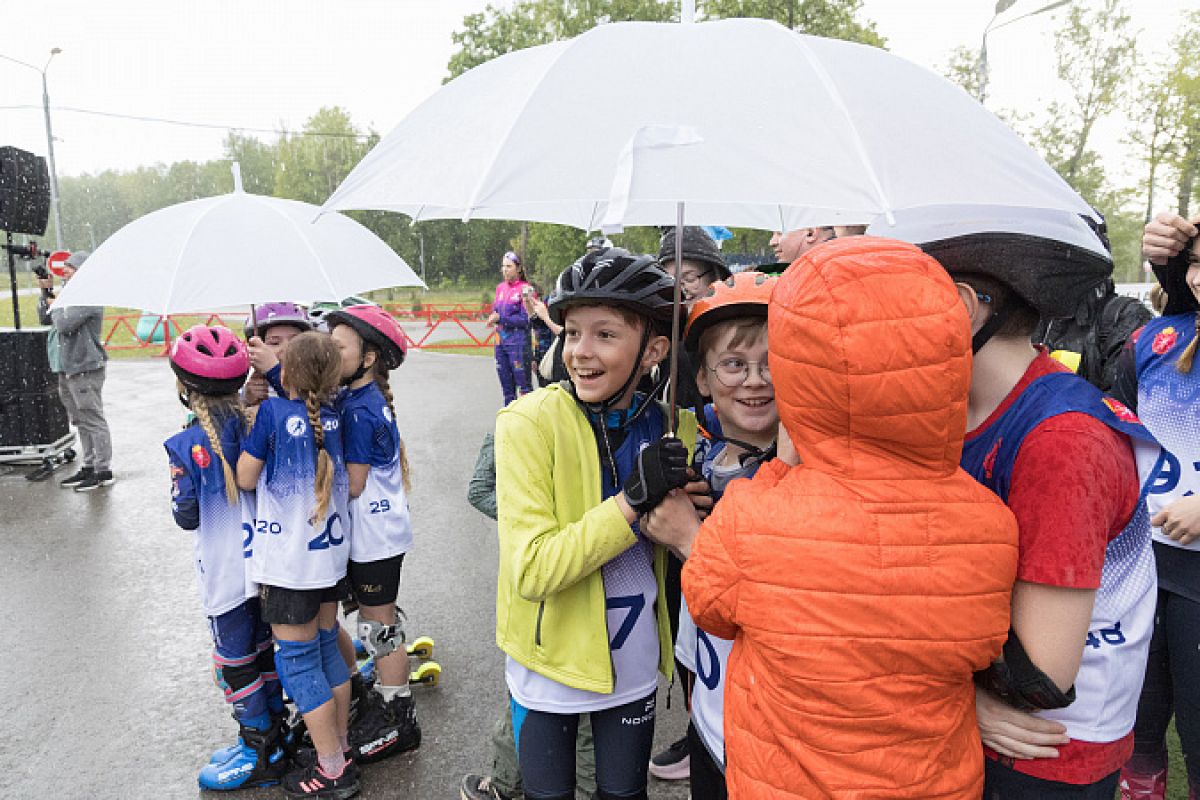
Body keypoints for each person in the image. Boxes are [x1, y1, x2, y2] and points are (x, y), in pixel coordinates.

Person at [671, 237, 1019, 799]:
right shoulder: (989, 522)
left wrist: (781, 473)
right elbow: (977, 647)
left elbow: (709, 605)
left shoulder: (754, 515)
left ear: (804, 369)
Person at [874, 207, 1159, 799]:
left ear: (960, 305)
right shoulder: (956, 408)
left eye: (895, 304)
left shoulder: (1063, 440)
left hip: (1042, 750)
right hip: (977, 718)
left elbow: (1041, 673)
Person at [494, 247, 699, 800]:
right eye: (573, 332)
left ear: (655, 349)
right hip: (549, 670)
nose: (579, 352)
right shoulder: (526, 423)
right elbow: (533, 569)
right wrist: (632, 501)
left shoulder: (672, 427)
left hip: (631, 668)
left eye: (605, 335)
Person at [641, 271, 779, 800]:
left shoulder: (810, 469)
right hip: (706, 693)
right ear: (701, 379)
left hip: (762, 717)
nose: (754, 380)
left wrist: (687, 534)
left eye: (772, 364)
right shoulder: (693, 444)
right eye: (734, 365)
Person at [163, 325, 289, 790]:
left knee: (236, 662)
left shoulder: (184, 445)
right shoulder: (259, 421)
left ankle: (260, 747)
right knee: (266, 651)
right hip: (269, 564)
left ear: (183, 387)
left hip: (225, 575)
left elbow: (187, 516)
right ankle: (278, 730)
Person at [236, 331, 357, 799]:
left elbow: (246, 479)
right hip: (328, 563)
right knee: (328, 653)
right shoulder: (337, 414)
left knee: (301, 665)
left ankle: (332, 771)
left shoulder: (272, 413)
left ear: (284, 371)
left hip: (289, 567)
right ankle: (341, 750)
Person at [1109, 212, 1200, 800]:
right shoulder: (1156, 339)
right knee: (1138, 732)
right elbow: (1115, 425)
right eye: (1197, 264)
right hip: (1143, 564)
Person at [461, 429, 598, 800]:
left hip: (577, 582)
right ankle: (507, 782)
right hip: (554, 582)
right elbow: (479, 491)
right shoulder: (522, 421)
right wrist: (534, 522)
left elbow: (478, 490)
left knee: (545, 693)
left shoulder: (611, 422)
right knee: (544, 693)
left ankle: (507, 784)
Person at [647, 225, 733, 782]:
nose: (680, 288)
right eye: (669, 279)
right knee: (686, 623)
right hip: (685, 510)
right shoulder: (660, 341)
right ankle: (693, 725)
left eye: (692, 277)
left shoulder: (724, 334)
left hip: (730, 511)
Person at [325, 305, 422, 765]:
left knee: (380, 624)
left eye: (339, 347)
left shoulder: (362, 411)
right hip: (373, 534)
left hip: (376, 537)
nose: (330, 352)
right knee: (372, 620)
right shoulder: (353, 400)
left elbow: (355, 483)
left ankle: (398, 713)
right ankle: (387, 694)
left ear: (367, 359)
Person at [36, 250, 114, 491]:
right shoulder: (70, 295)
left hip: (85, 367)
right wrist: (46, 293)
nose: (65, 270)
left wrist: (55, 303)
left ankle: (103, 470)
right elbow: (45, 318)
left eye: (71, 267)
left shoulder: (89, 295)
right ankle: (89, 465)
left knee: (92, 418)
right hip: (67, 367)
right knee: (80, 420)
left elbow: (63, 324)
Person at [242, 302, 312, 405]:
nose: (286, 349)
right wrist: (246, 400)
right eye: (274, 342)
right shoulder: (250, 378)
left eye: (295, 341)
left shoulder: (318, 378)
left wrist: (273, 371)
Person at [488, 251, 533, 405]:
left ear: (518, 268)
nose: (505, 269)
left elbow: (526, 319)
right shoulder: (500, 288)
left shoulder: (526, 288)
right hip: (500, 343)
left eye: (509, 266)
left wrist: (501, 318)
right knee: (507, 388)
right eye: (503, 266)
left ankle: (529, 423)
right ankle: (509, 424)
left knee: (524, 388)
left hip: (519, 344)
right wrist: (493, 316)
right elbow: (496, 310)